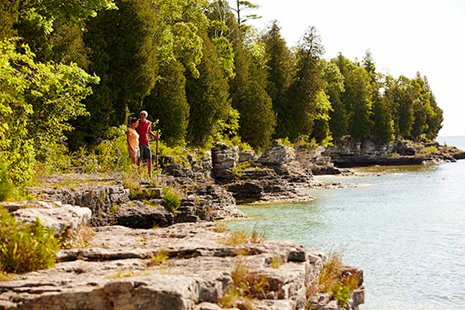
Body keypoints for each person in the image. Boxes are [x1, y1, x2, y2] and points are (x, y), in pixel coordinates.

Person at [136, 111, 158, 177]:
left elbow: (149, 131)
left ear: (146, 116)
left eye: (143, 116)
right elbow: (133, 129)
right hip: (139, 142)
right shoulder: (137, 122)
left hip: (146, 142)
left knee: (149, 158)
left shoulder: (148, 123)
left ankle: (149, 174)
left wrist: (155, 136)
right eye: (141, 116)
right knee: (139, 158)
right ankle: (138, 173)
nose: (142, 118)